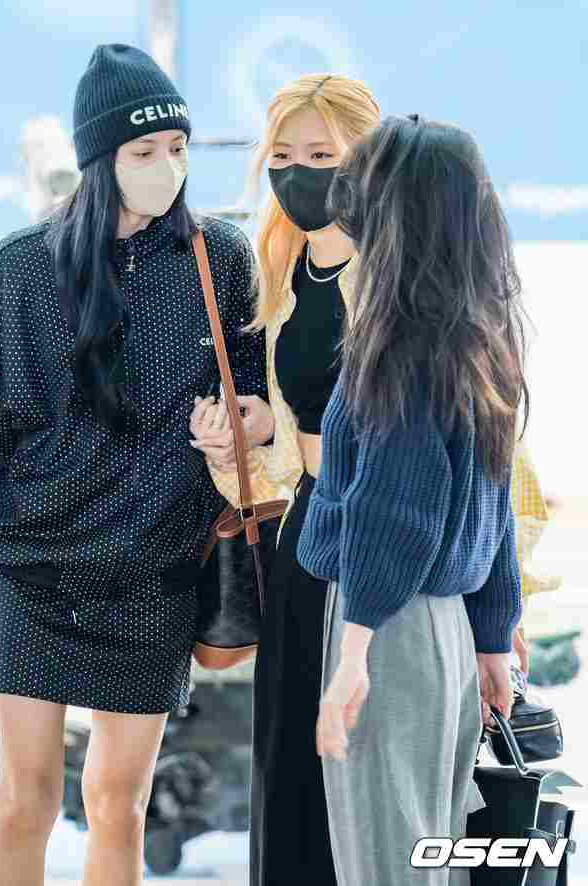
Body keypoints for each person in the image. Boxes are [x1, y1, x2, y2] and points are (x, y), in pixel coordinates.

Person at [0, 44, 270, 886]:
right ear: (99, 160)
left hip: (153, 572)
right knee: (24, 800)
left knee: (119, 802)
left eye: (178, 147)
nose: (167, 167)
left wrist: (238, 429)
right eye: (145, 151)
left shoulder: (221, 259)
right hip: (33, 571)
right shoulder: (23, 265)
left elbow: (259, 401)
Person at [297, 113, 525, 884]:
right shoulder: (477, 333)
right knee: (429, 857)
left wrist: (353, 654)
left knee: (386, 861)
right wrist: (492, 637)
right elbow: (493, 505)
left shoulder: (398, 345)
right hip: (446, 632)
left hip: (388, 630)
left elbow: (392, 512)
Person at [193, 73, 380, 885]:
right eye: (281, 156)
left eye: (321, 156)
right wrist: (246, 431)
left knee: (369, 772)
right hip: (306, 533)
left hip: (387, 535)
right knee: (292, 764)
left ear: (368, 160)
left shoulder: (403, 276)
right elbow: (288, 439)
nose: (298, 173)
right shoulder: (283, 267)